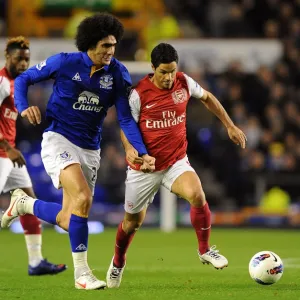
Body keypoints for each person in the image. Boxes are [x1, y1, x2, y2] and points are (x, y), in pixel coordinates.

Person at [1, 14, 155, 290]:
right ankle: (82, 274)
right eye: (105, 45)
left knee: (68, 218)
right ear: (90, 44)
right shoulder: (65, 62)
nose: (110, 51)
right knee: (83, 196)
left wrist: (139, 150)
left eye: (113, 45)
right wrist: (23, 106)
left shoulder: (118, 73)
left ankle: (24, 204)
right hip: (58, 138)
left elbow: (124, 118)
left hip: (90, 149)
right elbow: (24, 79)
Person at [106, 43, 247, 288]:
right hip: (145, 168)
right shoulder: (139, 93)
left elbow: (208, 98)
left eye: (172, 71)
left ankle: (204, 249)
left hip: (175, 162)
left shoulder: (183, 82)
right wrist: (131, 151)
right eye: (163, 72)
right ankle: (118, 262)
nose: (169, 77)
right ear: (152, 68)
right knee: (132, 223)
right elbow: (126, 127)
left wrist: (229, 125)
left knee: (197, 194)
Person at [0, 36, 66, 276]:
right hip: (3, 154)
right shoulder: (1, 82)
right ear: (8, 57)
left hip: (9, 155)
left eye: (27, 60)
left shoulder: (17, 84)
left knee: (28, 202)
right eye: (19, 59)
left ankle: (36, 262)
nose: (24, 64)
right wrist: (8, 148)